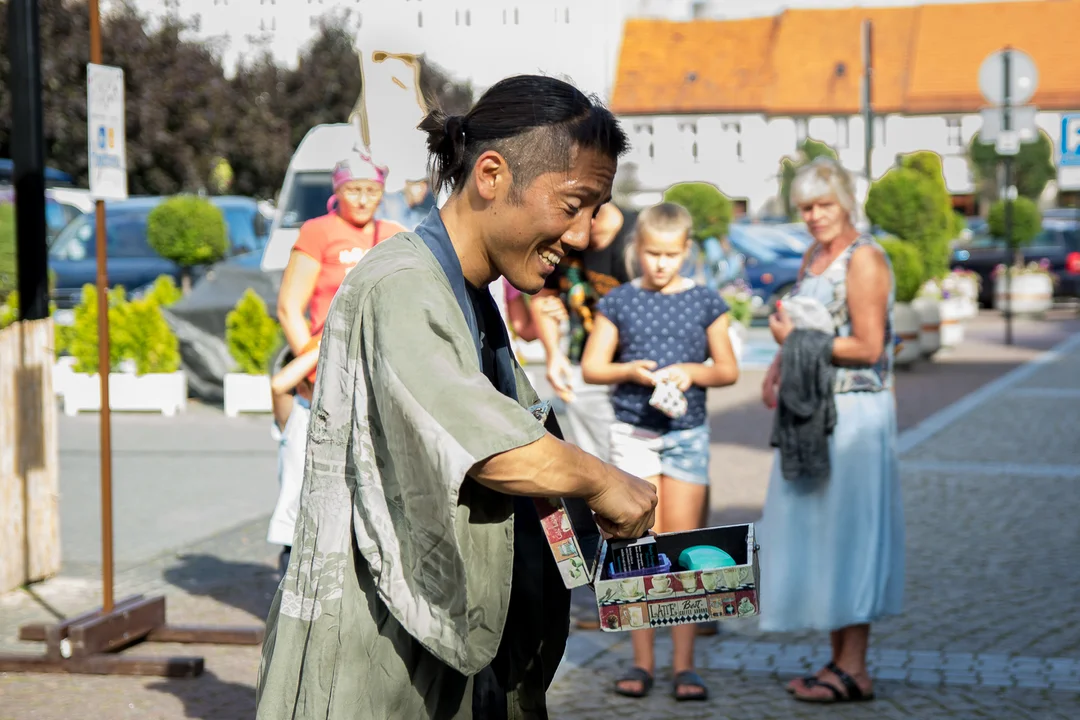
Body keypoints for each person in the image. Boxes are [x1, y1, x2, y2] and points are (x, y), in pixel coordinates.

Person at [255, 74, 658, 720]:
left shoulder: (470, 293)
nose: (584, 235)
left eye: (596, 211)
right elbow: (487, 449)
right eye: (573, 203)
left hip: (446, 665)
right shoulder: (402, 284)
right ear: (492, 175)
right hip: (374, 672)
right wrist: (603, 481)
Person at [758, 157, 904, 705]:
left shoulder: (864, 259)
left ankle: (855, 668)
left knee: (851, 535)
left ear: (845, 202)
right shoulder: (814, 256)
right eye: (805, 207)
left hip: (856, 416)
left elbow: (868, 346)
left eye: (823, 205)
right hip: (814, 411)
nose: (814, 216)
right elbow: (801, 328)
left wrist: (789, 345)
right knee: (825, 537)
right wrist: (778, 369)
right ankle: (839, 658)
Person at [580, 203, 739, 702]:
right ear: (637, 249)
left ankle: (685, 666)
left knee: (687, 547)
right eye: (652, 253)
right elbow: (592, 367)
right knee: (637, 547)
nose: (661, 263)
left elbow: (728, 370)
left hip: (686, 433)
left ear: (686, 251)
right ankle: (642, 662)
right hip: (633, 434)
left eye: (671, 254)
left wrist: (691, 372)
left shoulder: (706, 301)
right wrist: (630, 371)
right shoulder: (621, 301)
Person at [268, 151, 406, 573]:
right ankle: (294, 559)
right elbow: (290, 307)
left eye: (372, 191)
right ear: (338, 191)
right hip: (320, 363)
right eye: (354, 191)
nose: (363, 200)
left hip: (373, 369)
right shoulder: (318, 232)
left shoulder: (393, 233)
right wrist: (313, 366)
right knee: (304, 467)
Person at [530, 202, 630, 462]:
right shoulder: (563, 241)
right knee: (598, 464)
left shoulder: (637, 239)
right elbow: (544, 298)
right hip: (583, 371)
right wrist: (554, 355)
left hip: (633, 371)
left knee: (635, 466)